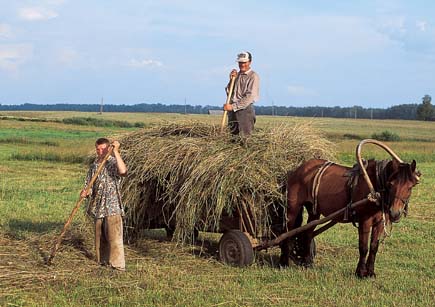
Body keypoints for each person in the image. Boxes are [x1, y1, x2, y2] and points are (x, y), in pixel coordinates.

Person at [80, 138, 128, 271]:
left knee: (114, 238)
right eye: (98, 149)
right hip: (98, 207)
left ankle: (118, 266)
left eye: (103, 149)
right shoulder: (94, 166)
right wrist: (85, 192)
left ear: (108, 149)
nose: (100, 151)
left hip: (112, 206)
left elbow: (123, 172)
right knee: (100, 238)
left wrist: (116, 152)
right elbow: (89, 186)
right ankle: (103, 262)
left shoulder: (112, 163)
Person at [223, 51, 260, 137]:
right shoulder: (237, 75)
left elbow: (250, 97)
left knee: (245, 138)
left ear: (250, 62)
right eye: (240, 62)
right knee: (233, 137)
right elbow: (229, 93)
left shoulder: (253, 76)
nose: (242, 65)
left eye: (244, 62)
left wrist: (232, 107)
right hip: (233, 110)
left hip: (245, 111)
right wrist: (231, 79)